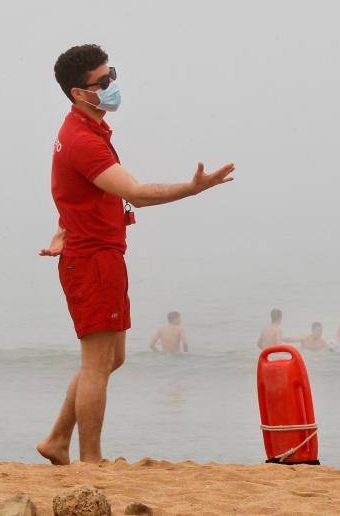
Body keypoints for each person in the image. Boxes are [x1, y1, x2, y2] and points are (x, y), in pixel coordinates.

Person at [37, 45, 235, 465]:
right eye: (102, 82)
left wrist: (62, 228)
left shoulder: (87, 131)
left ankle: (56, 439)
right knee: (95, 365)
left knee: (113, 358)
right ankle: (91, 460)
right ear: (79, 93)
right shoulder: (82, 140)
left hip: (101, 253)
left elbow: (76, 192)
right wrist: (192, 187)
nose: (112, 87)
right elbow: (136, 194)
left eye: (113, 76)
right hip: (93, 260)